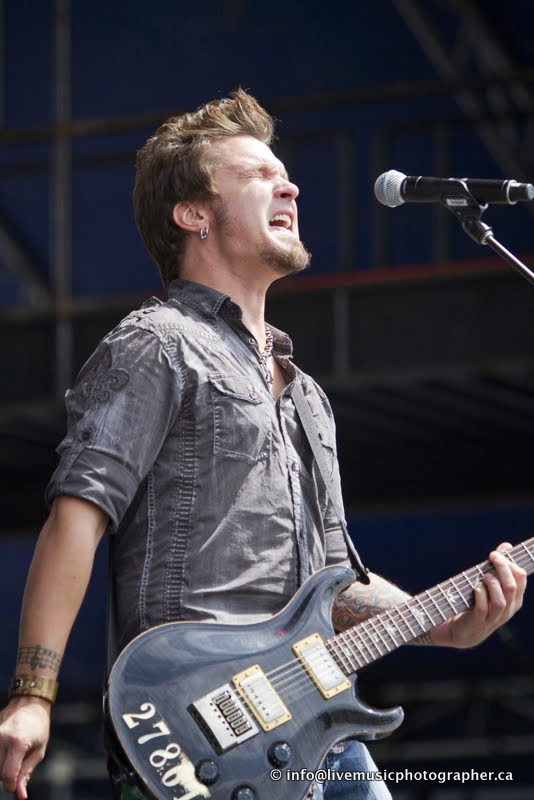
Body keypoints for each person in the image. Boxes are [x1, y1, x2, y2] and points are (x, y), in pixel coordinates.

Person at [0, 90, 527, 800]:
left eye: (286, 174)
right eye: (257, 175)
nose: (291, 187)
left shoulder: (307, 396)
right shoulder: (158, 343)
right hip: (196, 725)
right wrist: (33, 694)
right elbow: (75, 519)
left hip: (319, 731)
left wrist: (446, 625)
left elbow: (334, 584)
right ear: (193, 215)